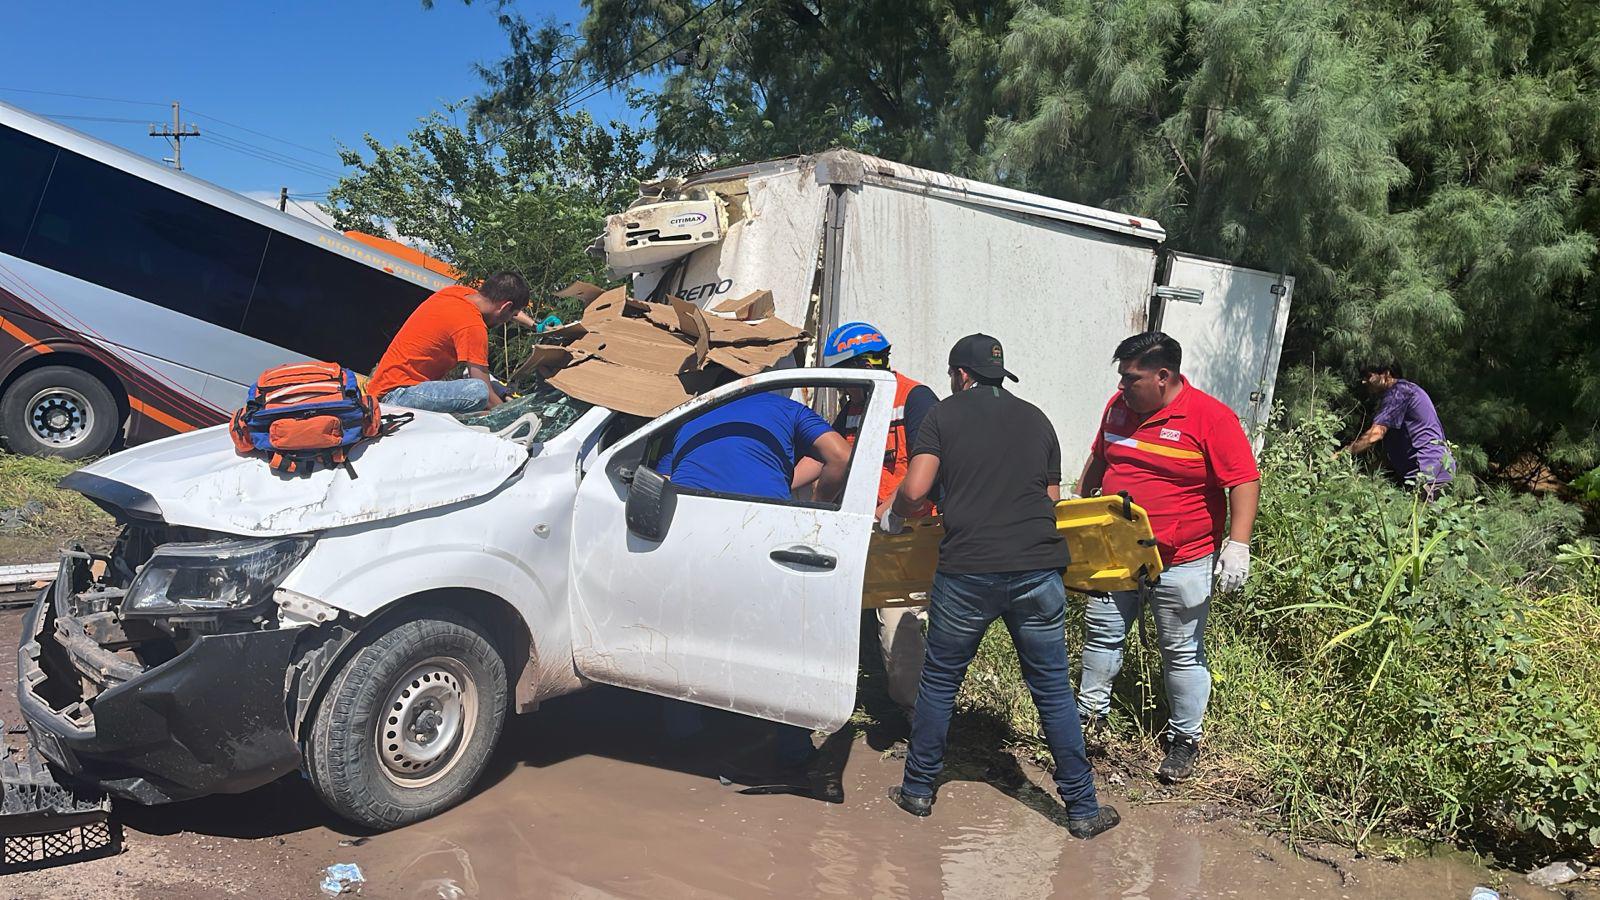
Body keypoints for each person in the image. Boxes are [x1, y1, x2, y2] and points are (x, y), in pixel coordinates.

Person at [880, 333, 1119, 839]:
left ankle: (918, 791)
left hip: (968, 571)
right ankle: (1082, 809)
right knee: (1052, 690)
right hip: (1037, 569)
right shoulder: (1038, 419)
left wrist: (895, 517)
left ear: (960, 375)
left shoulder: (942, 417)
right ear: (996, 374)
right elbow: (1051, 501)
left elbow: (917, 490)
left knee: (941, 681)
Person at [1075, 332, 1260, 783]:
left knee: (1180, 652)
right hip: (1118, 552)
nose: (1122, 387)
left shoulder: (1211, 418)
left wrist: (1238, 545)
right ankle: (1087, 719)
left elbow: (1243, 480)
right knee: (1102, 636)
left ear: (1163, 376)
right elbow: (1099, 459)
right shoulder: (1118, 408)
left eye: (1130, 378)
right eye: (1120, 378)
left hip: (1183, 559)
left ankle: (1184, 740)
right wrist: (1079, 512)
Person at [655, 382, 854, 780]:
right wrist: (818, 500)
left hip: (696, 529)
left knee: (689, 633)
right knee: (780, 643)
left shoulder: (690, 409)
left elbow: (663, 481)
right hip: (762, 527)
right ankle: (793, 749)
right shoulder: (784, 409)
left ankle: (685, 737)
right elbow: (840, 456)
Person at [793, 321, 939, 723]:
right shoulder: (855, 406)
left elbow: (928, 466)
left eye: (845, 379)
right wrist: (779, 485)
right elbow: (826, 455)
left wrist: (888, 509)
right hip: (865, 529)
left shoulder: (916, 399)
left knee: (900, 629)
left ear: (862, 366)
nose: (842, 390)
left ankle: (917, 718)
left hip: (908, 531)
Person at [367, 272, 530, 414]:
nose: (509, 320)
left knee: (477, 381)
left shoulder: (456, 293)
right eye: (512, 315)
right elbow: (486, 395)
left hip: (383, 387)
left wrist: (535, 325)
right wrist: (510, 415)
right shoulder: (473, 327)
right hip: (396, 396)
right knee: (478, 391)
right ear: (505, 306)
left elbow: (508, 307)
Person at [1337, 361, 1454, 497]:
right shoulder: (1404, 392)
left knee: (1422, 517)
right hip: (1436, 470)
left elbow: (1375, 435)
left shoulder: (1398, 393)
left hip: (1428, 472)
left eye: (1368, 376)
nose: (1364, 382)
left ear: (1386, 374)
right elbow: (1394, 449)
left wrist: (1341, 455)